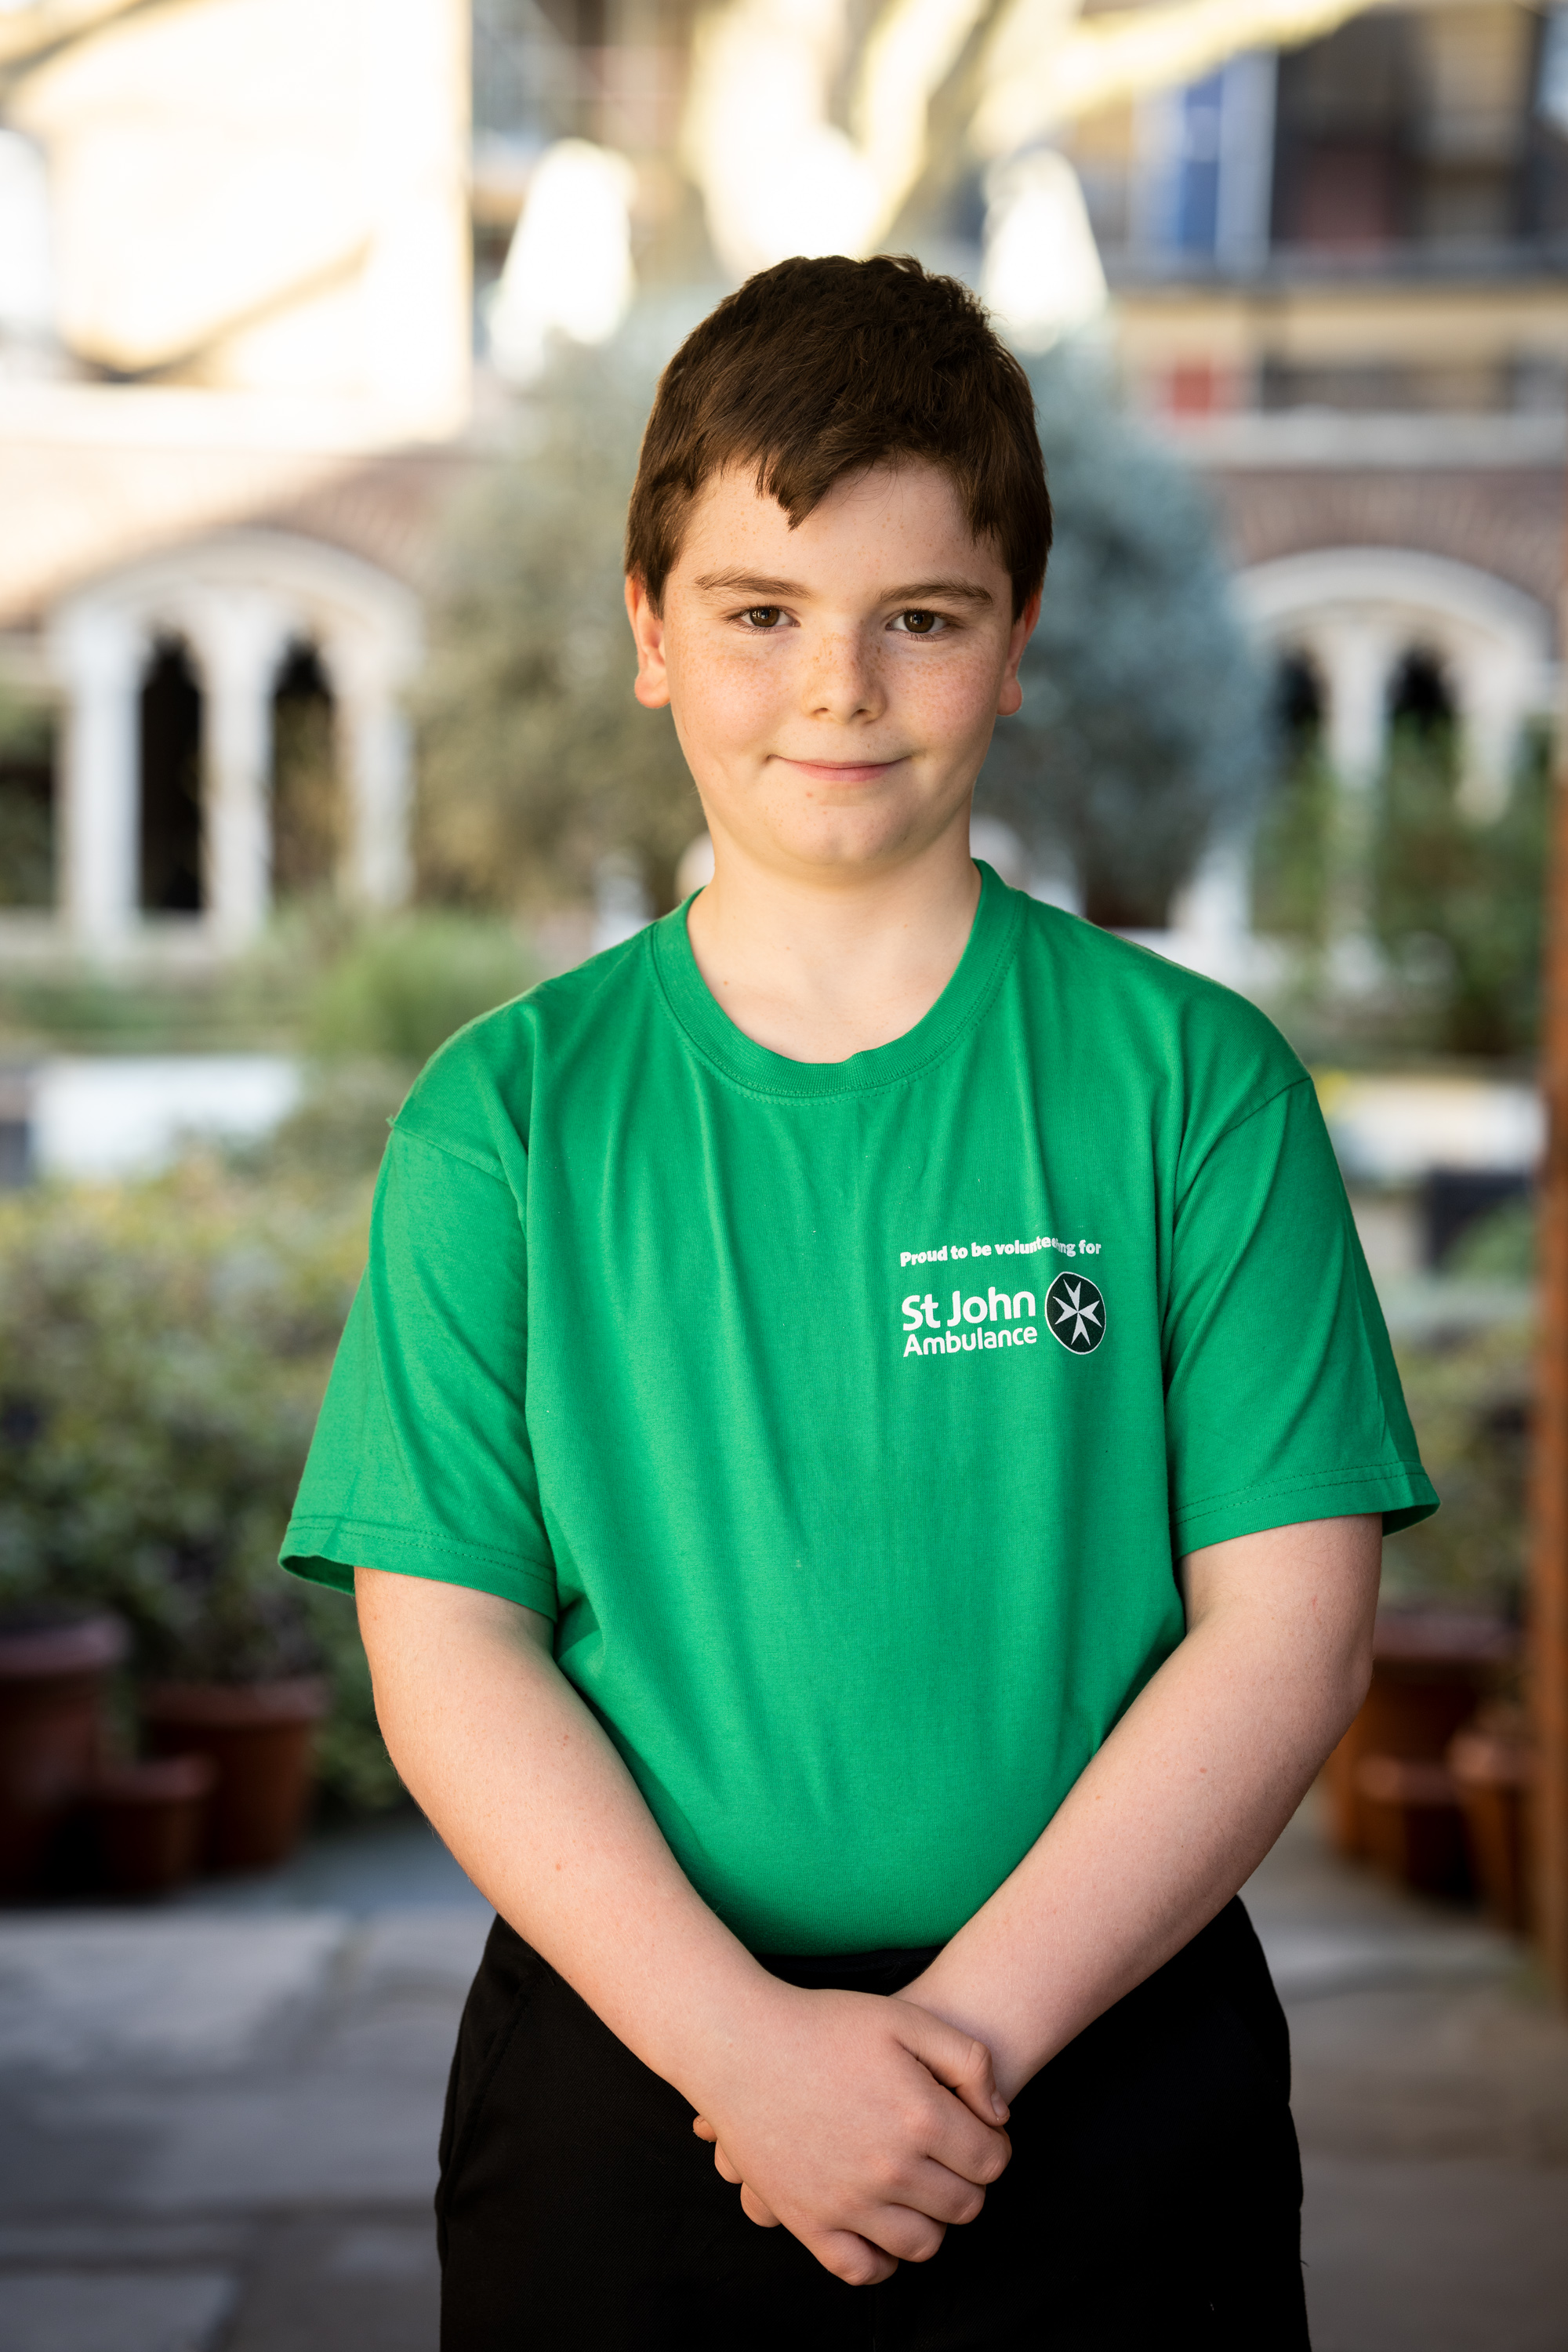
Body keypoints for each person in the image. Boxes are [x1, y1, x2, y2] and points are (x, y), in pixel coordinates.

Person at [281, 253, 1436, 2350]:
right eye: (761, 614)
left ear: (1016, 649)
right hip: (636, 2070)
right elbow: (446, 1642)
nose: (841, 687)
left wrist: (959, 2046)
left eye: (920, 616)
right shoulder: (509, 1122)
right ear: (649, 634)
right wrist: (746, 2053)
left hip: (1105, 2067)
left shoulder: (1190, 1089)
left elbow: (1291, 1626)